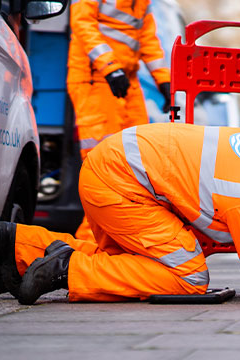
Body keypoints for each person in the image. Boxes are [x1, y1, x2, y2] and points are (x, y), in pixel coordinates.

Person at [0, 123, 240, 304]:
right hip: (122, 182)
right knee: (189, 276)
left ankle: (22, 245)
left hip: (116, 167)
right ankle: (64, 270)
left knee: (126, 262)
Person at [67, 0, 173, 241]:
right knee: (103, 167)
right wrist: (110, 67)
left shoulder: (143, 3)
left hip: (124, 80)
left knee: (137, 163)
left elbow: (147, 39)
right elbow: (83, 24)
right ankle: (88, 246)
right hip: (95, 79)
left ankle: (113, 244)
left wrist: (163, 80)